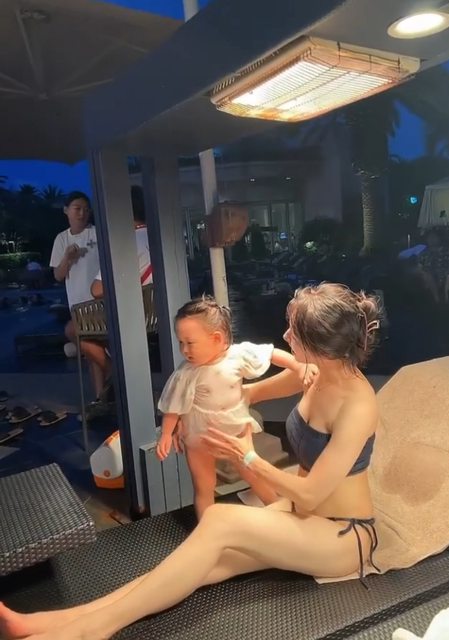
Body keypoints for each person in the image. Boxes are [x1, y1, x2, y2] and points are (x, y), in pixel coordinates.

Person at [0, 283, 381, 640]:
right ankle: (57, 620)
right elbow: (247, 395)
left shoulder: (357, 404)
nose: (285, 336)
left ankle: (87, 632)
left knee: (218, 519)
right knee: (197, 563)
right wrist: (200, 411)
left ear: (318, 344)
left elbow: (312, 493)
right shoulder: (316, 375)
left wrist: (247, 455)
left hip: (342, 536)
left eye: (293, 332)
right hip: (301, 518)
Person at [156, 295, 318, 518]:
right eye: (180, 343)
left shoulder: (237, 355)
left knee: (253, 473)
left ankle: (278, 511)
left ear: (216, 338)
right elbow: (172, 406)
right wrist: (166, 433)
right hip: (199, 436)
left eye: (190, 343)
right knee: (204, 485)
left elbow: (271, 353)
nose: (184, 350)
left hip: (236, 431)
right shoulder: (185, 373)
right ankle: (207, 526)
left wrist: (297, 366)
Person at [81, 186, 152, 417]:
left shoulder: (126, 242)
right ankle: (110, 388)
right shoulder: (157, 235)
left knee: (74, 330)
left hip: (133, 315)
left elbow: (96, 290)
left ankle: (117, 375)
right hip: (157, 313)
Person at [49, 191, 101, 390]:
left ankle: (105, 390)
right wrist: (67, 259)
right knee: (91, 352)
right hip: (77, 305)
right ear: (66, 211)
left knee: (91, 346)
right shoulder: (62, 239)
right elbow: (58, 275)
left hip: (99, 301)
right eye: (77, 208)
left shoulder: (96, 233)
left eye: (86, 209)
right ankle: (102, 395)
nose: (82, 213)